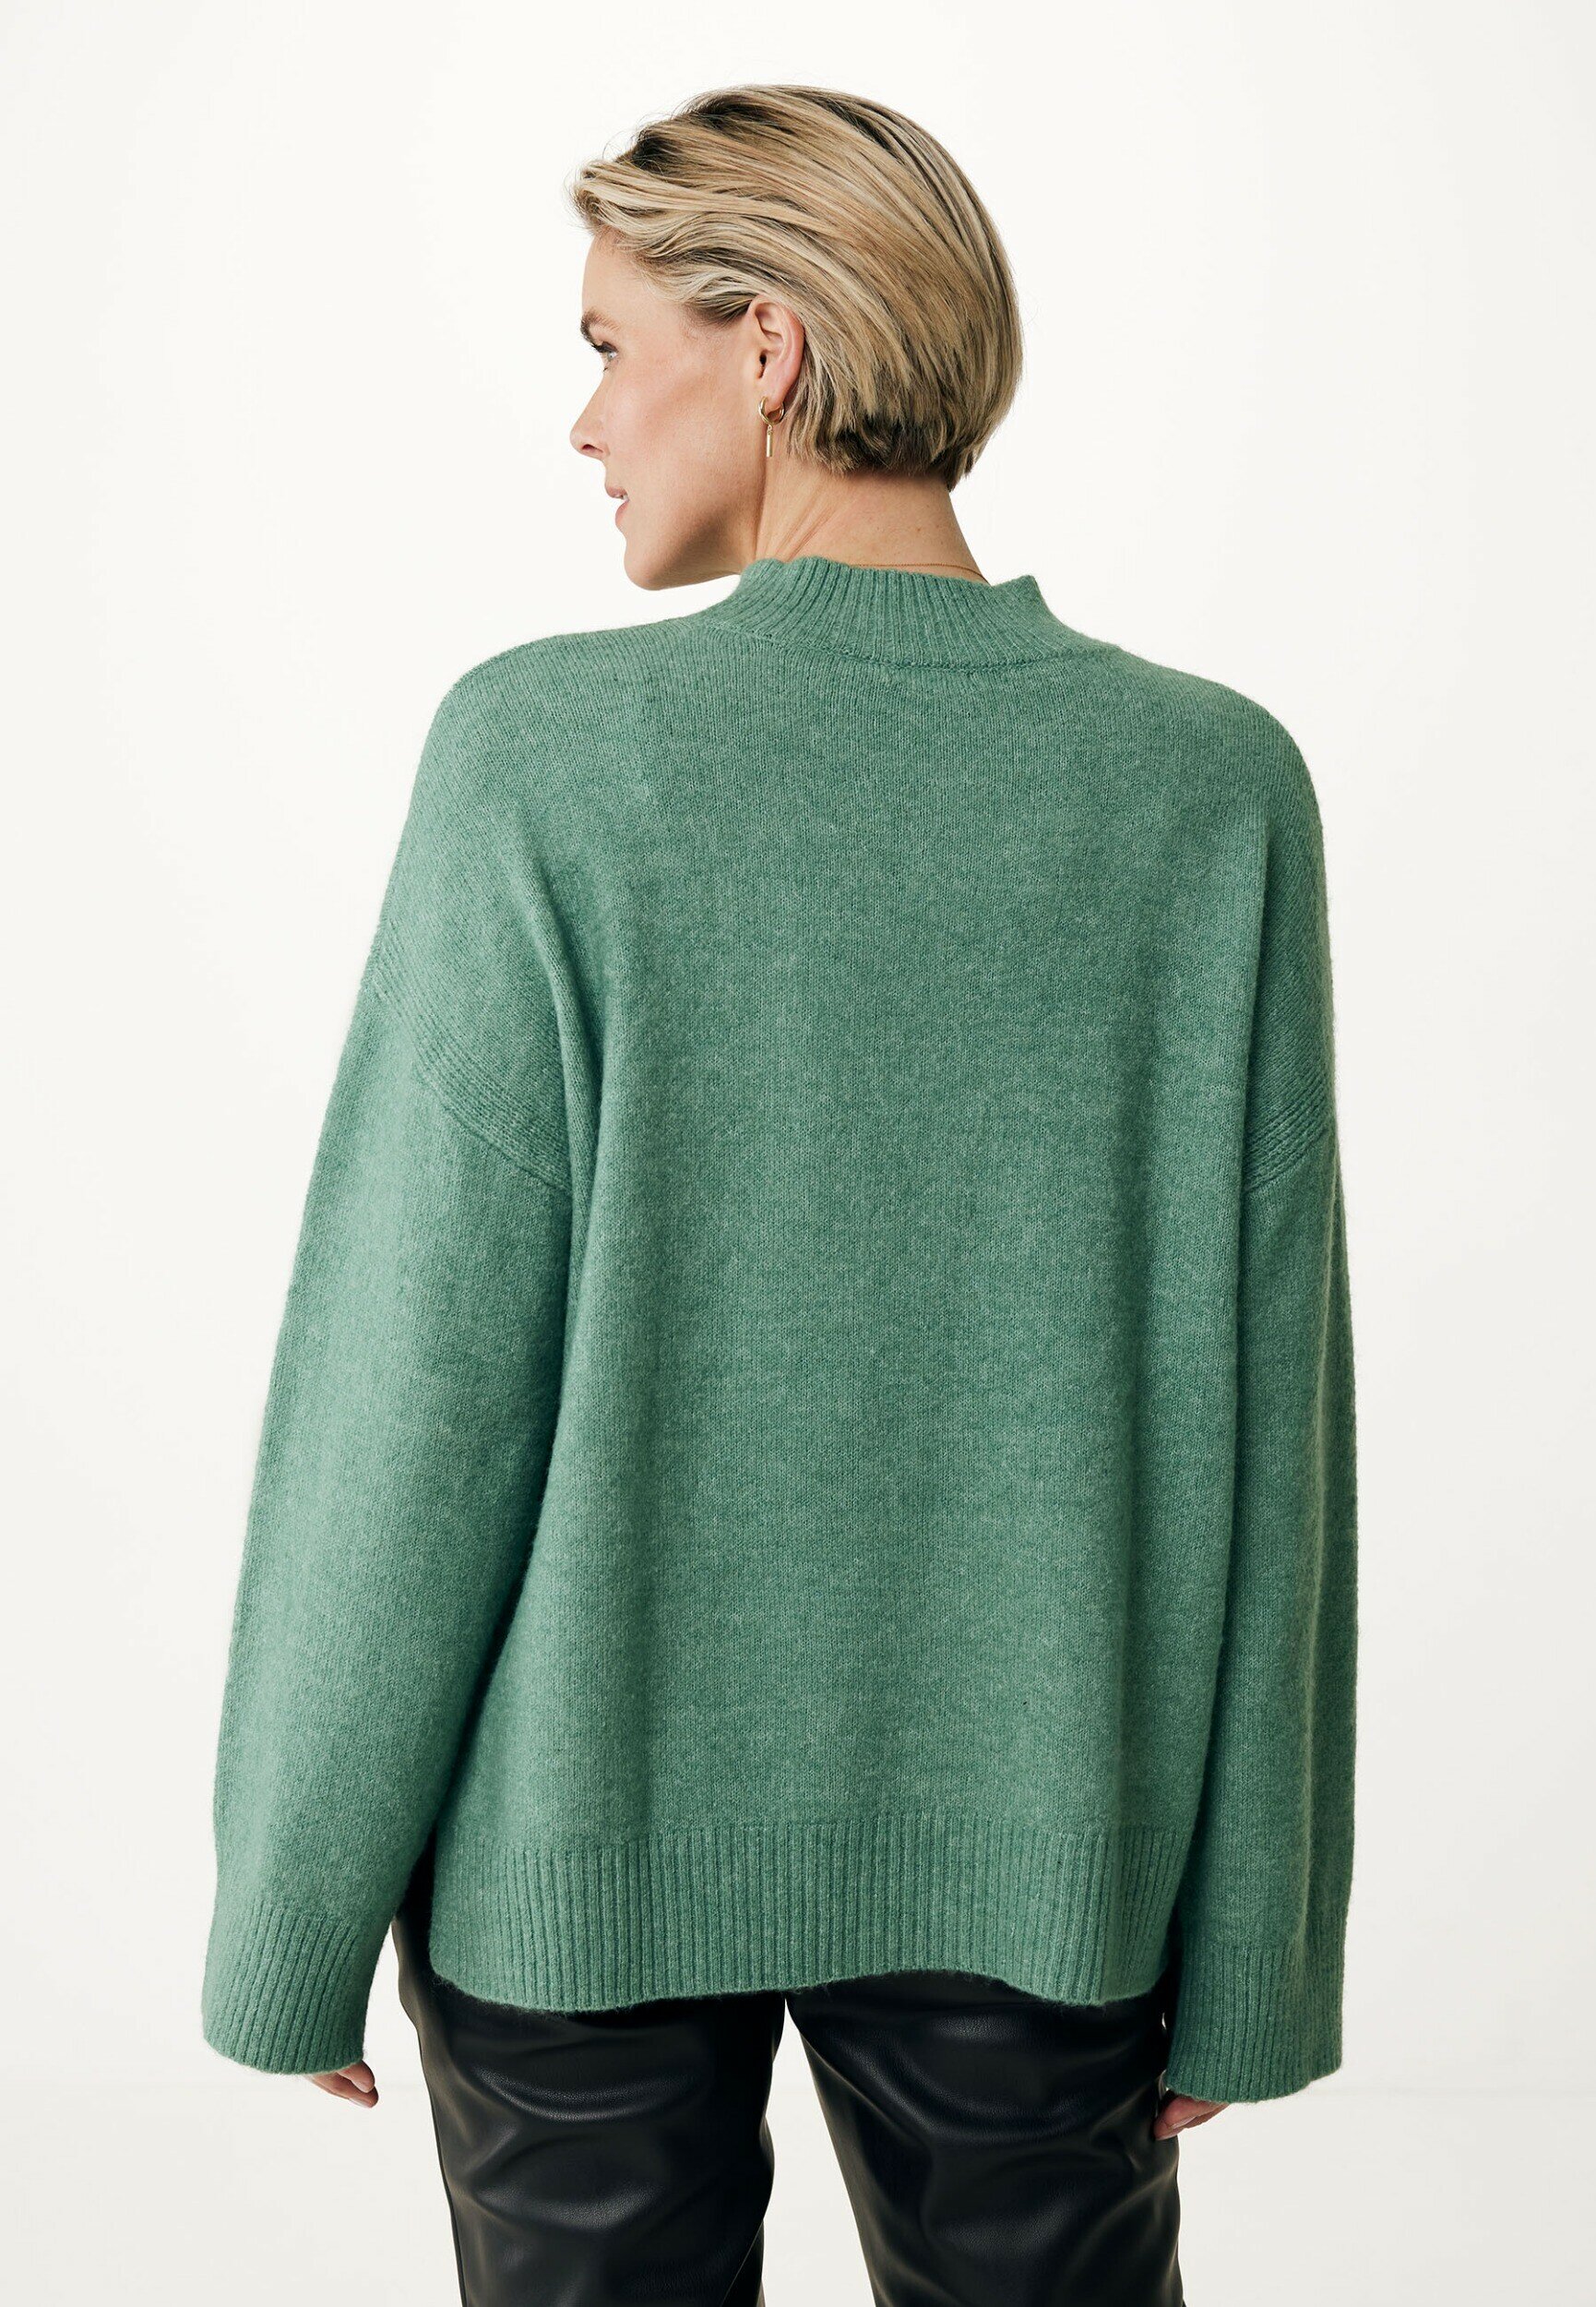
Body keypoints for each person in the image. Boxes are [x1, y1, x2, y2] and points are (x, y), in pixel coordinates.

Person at [202, 82, 1357, 2307]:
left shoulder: (542, 755)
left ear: (770, 346)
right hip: (1051, 1861)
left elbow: (416, 1377)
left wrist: (293, 1896)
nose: (582, 418)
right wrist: (1251, 1951)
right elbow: (1265, 1418)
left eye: (606, 342)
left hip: (575, 1860)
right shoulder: (1211, 785)